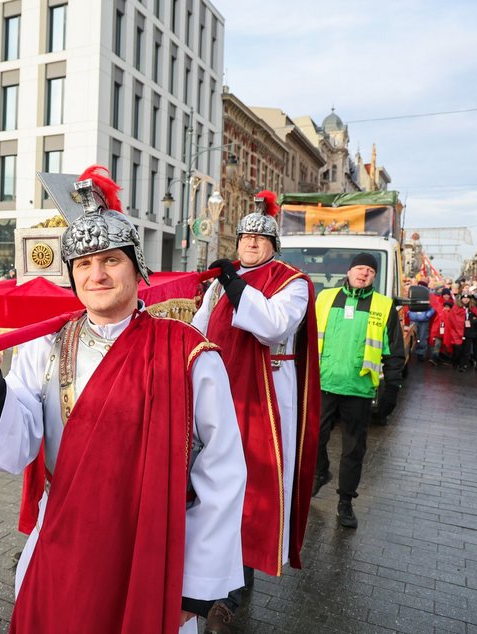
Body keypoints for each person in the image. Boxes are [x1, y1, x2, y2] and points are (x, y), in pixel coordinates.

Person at [0, 166, 246, 633]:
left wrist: (194, 588)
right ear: (71, 275)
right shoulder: (46, 345)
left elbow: (223, 472)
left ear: (136, 266)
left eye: (111, 259)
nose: (97, 274)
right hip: (64, 538)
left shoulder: (188, 352)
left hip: (153, 545)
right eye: (84, 264)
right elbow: (21, 439)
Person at [191, 190, 319, 630]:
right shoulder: (221, 283)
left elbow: (272, 325)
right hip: (219, 389)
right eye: (244, 236)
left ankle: (234, 594)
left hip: (265, 396)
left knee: (249, 489)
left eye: (259, 238)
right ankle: (201, 575)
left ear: (273, 245)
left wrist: (233, 283)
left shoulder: (293, 282)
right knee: (209, 479)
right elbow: (199, 328)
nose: (249, 242)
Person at [313, 253, 405, 528]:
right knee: (313, 438)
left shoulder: (383, 305)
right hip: (323, 384)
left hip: (359, 389)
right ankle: (320, 472)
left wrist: (392, 387)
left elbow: (395, 352)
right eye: (360, 269)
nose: (364, 274)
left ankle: (345, 502)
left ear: (374, 277)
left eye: (369, 271)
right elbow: (305, 336)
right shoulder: (325, 298)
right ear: (350, 271)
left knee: (353, 450)